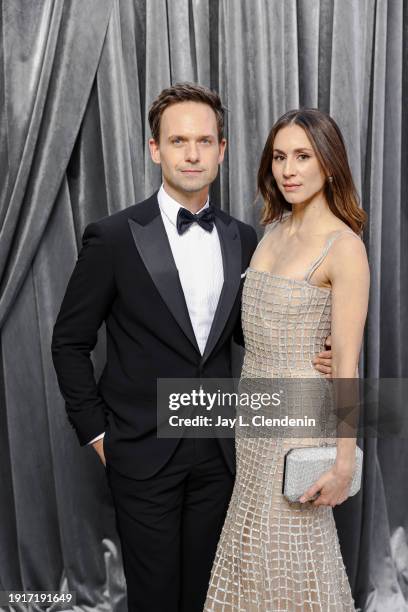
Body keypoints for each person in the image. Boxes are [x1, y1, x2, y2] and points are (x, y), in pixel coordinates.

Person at [51, 85, 332, 612]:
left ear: (222, 150)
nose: (192, 153)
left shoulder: (246, 239)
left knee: (213, 594)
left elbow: (250, 332)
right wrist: (98, 435)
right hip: (140, 448)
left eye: (205, 141)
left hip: (223, 452)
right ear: (155, 149)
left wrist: (319, 349)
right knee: (155, 598)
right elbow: (69, 342)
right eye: (178, 140)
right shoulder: (112, 238)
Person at [204, 108, 369, 611]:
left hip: (299, 421)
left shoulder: (345, 247)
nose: (288, 169)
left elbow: (345, 366)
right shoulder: (271, 231)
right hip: (253, 416)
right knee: (253, 549)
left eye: (303, 156)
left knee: (291, 550)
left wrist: (343, 463)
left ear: (330, 166)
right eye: (279, 157)